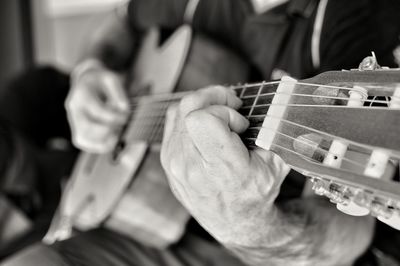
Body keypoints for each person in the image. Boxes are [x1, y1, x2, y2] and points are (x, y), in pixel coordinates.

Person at [2, 0, 400, 265]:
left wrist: (250, 228)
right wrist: (89, 70)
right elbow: (120, 22)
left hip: (258, 245)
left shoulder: (351, 19)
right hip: (138, 213)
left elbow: (351, 231)